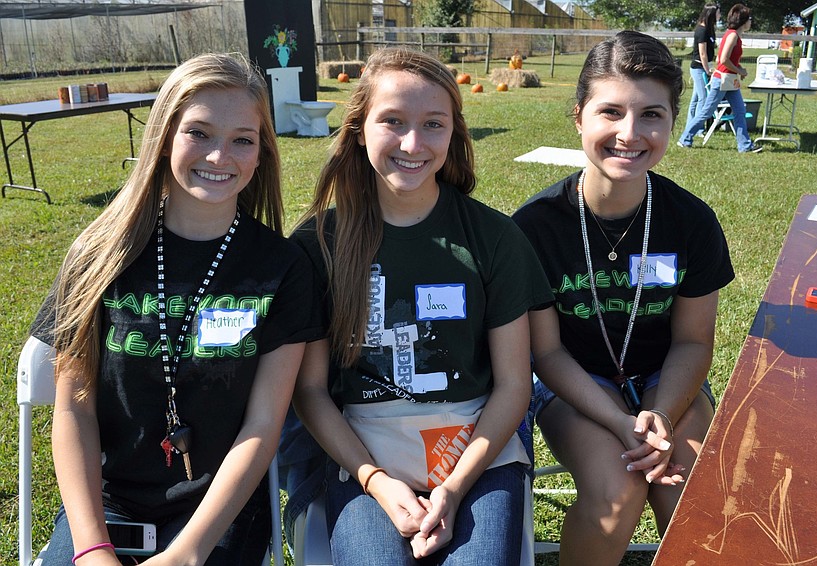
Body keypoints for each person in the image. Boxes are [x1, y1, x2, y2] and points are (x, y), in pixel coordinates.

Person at [33, 52, 322, 565]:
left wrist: (187, 554)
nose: (219, 157)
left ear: (261, 154)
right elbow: (72, 409)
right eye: (199, 133)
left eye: (242, 139)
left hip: (218, 510)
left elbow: (262, 425)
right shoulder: (99, 254)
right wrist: (92, 548)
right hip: (108, 506)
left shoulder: (283, 268)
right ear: (164, 136)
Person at [286, 46, 553, 565]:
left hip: (478, 452)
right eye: (393, 121)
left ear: (454, 134)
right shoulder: (318, 245)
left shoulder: (494, 238)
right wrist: (378, 482)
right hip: (364, 454)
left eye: (433, 124)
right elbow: (312, 391)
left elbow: (515, 384)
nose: (413, 143)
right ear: (359, 128)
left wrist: (453, 489)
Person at [513, 31, 735, 566]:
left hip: (668, 377)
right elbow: (546, 354)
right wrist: (620, 423)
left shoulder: (692, 222)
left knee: (683, 491)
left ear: (672, 121)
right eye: (610, 112)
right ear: (579, 117)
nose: (629, 134)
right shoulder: (535, 227)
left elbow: (692, 340)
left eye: (651, 115)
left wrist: (659, 413)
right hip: (574, 383)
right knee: (617, 494)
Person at [678, 3, 762, 153]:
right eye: (749, 19)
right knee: (706, 112)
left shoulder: (734, 35)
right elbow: (722, 60)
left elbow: (728, 58)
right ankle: (685, 139)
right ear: (742, 21)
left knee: (740, 111)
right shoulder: (732, 35)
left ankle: (744, 145)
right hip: (722, 80)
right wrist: (739, 71)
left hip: (730, 81)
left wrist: (739, 69)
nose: (751, 22)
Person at [686, 4, 720, 131]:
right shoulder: (702, 30)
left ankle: (690, 125)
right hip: (698, 68)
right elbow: (702, 53)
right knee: (703, 98)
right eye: (718, 13)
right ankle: (698, 129)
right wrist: (707, 70)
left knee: (695, 98)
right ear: (711, 14)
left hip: (704, 67)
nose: (719, 16)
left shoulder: (709, 30)